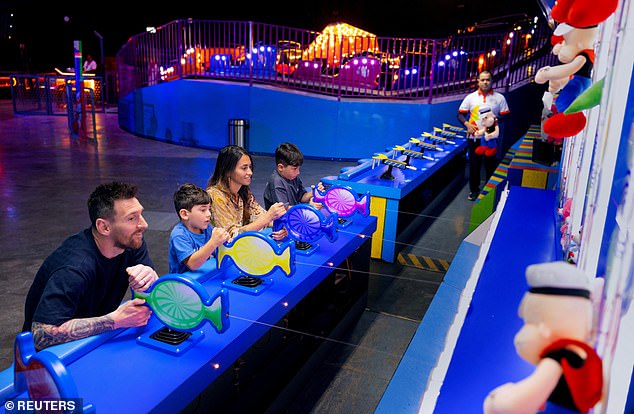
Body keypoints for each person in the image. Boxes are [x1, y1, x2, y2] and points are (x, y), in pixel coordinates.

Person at [22, 182, 158, 351]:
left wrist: (150, 277)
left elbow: (152, 292)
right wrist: (114, 320)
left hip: (92, 342)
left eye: (140, 214)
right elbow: (40, 335)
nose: (144, 224)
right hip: (49, 357)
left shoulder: (131, 242)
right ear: (104, 227)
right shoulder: (75, 267)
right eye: (132, 218)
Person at [483, 261, 603, 414]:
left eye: (529, 322)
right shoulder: (578, 353)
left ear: (545, 327)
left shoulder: (555, 361)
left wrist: (494, 401)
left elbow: (512, 406)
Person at [206, 145, 287, 240]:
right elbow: (232, 235)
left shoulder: (244, 192)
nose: (250, 172)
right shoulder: (215, 195)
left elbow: (260, 216)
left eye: (250, 167)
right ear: (227, 171)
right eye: (244, 168)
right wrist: (268, 217)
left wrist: (281, 227)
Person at [457, 70, 510, 201]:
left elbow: (506, 116)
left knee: (490, 165)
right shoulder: (471, 97)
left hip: (490, 138)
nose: (485, 82)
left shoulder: (499, 98)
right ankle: (474, 191)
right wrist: (467, 124)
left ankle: (489, 192)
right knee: (474, 165)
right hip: (474, 138)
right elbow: (460, 114)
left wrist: (494, 122)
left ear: (492, 81)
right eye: (483, 80)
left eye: (488, 79)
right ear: (478, 81)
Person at [168, 183, 231, 274]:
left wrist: (224, 242)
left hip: (205, 276)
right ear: (184, 214)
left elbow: (216, 252)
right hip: (183, 284)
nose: (209, 214)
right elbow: (192, 264)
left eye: (209, 209)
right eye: (203, 210)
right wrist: (213, 242)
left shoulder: (206, 228)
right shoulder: (179, 235)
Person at [263, 142, 323, 210]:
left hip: (293, 214)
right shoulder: (276, 182)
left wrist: (314, 192)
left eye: (298, 168)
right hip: (280, 219)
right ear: (281, 167)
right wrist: (308, 207)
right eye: (294, 169)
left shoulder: (293, 177)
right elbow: (283, 209)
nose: (298, 172)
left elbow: (301, 197)